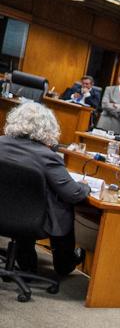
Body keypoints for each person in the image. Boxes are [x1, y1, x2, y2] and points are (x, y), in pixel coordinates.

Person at [0, 102, 90, 275]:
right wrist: (85, 187)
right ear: (48, 128)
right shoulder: (47, 156)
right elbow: (73, 194)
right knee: (63, 205)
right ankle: (64, 263)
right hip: (30, 222)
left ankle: (26, 261)